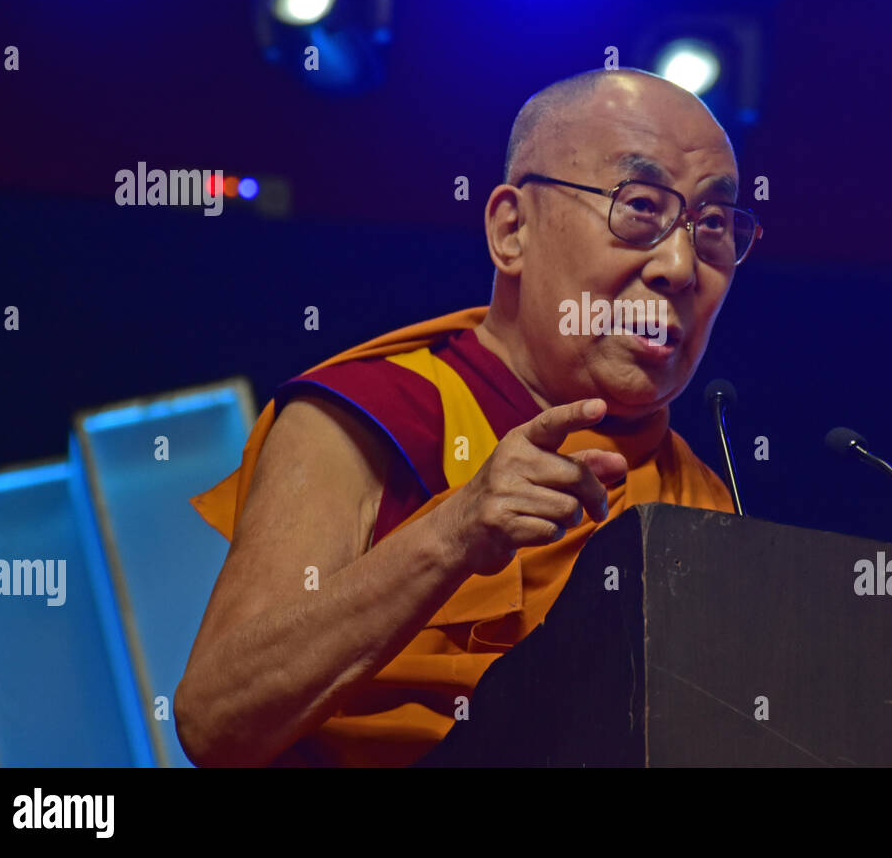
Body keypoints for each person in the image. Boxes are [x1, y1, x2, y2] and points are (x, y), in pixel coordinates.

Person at [174, 66, 763, 766]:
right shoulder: (378, 418)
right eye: (639, 207)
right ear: (512, 229)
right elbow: (215, 717)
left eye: (714, 226)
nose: (680, 265)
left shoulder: (700, 498)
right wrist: (452, 535)